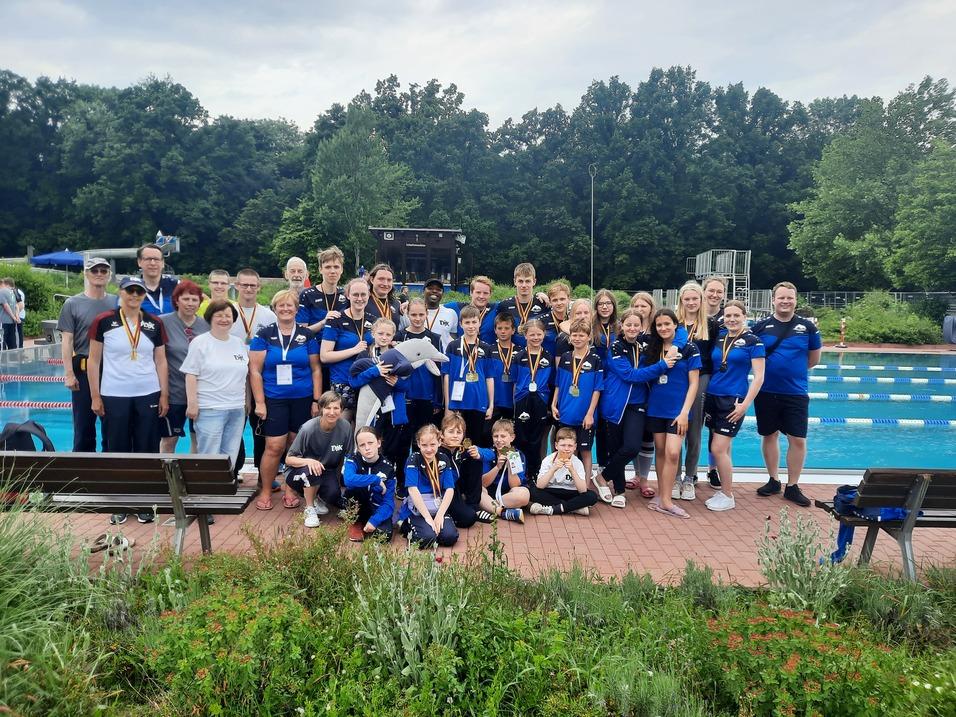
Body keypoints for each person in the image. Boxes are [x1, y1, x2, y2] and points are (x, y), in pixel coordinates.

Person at [87, 277, 169, 525]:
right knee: (117, 448)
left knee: (147, 448)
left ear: (144, 295)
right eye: (130, 291)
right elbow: (93, 361)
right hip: (114, 394)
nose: (134, 295)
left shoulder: (154, 323)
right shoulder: (103, 321)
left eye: (139, 291)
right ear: (120, 292)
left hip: (148, 392)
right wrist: (95, 396)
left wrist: (164, 394)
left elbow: (161, 361)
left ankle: (145, 502)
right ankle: (120, 503)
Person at [249, 289, 322, 513]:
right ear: (274, 308)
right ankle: (265, 491)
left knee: (295, 446)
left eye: (290, 305)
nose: (285, 309)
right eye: (281, 305)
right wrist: (260, 402)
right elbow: (255, 371)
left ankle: (291, 489)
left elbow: (316, 369)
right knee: (274, 446)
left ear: (297, 309)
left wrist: (316, 400)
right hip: (274, 399)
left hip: (302, 398)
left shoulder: (306, 335)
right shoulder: (264, 334)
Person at [752, 281, 822, 507]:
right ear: (773, 300)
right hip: (766, 391)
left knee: (798, 439)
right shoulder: (760, 327)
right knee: (769, 435)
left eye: (789, 298)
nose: (785, 301)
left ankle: (792, 486)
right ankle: (773, 479)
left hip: (795, 392)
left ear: (795, 300)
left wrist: (792, 372)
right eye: (781, 297)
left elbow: (814, 359)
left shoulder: (807, 327)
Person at [599, 308, 675, 508]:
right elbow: (630, 375)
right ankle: (620, 491)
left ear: (642, 327)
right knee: (616, 449)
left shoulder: (647, 343)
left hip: (638, 403)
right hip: (615, 405)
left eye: (636, 325)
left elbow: (677, 334)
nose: (632, 328)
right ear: (621, 326)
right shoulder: (615, 347)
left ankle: (601, 478)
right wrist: (663, 365)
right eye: (628, 324)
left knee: (632, 447)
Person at [703, 300, 765, 512]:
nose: (732, 319)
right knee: (722, 448)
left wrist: (745, 404)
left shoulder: (753, 342)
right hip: (713, 397)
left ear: (744, 317)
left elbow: (759, 377)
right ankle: (723, 491)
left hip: (733, 400)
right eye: (728, 316)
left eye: (736, 315)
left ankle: (728, 495)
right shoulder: (720, 337)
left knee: (717, 449)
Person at [58, 257, 118, 451]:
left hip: (113, 371)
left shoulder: (117, 302)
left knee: (114, 427)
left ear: (109, 275)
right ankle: (82, 466)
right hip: (83, 371)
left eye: (103, 271)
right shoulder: (72, 303)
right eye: (95, 270)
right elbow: (67, 340)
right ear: (86, 274)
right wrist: (69, 373)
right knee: (83, 427)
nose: (99, 274)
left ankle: (112, 465)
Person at [182, 300, 248, 473]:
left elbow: (244, 375)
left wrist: (246, 402)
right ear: (210, 318)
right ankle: (206, 486)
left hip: (236, 408)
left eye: (228, 316)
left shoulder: (238, 343)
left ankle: (224, 486)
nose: (224, 319)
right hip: (210, 409)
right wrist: (192, 403)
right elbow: (190, 374)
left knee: (230, 455)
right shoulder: (200, 342)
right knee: (209, 455)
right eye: (219, 315)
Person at [645, 309, 701, 517]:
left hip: (678, 411)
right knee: (660, 451)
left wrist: (685, 412)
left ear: (676, 325)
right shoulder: (653, 348)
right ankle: (663, 495)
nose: (663, 328)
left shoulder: (689, 348)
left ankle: (667, 501)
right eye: (659, 325)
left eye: (667, 324)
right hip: (656, 408)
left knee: (673, 452)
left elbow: (694, 383)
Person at [230, 268, 278, 479]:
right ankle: (233, 470)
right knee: (234, 427)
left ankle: (263, 475)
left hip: (261, 379)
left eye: (252, 285)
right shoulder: (228, 312)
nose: (248, 289)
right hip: (234, 380)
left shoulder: (269, 315)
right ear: (237, 286)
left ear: (259, 287)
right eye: (244, 285)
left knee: (260, 428)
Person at [284, 391, 354, 528]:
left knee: (333, 494)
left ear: (341, 410)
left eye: (336, 408)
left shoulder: (345, 427)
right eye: (328, 408)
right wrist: (309, 461)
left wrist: (338, 482)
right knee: (312, 472)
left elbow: (346, 457)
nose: (332, 412)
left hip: (326, 470)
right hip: (300, 471)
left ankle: (319, 498)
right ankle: (309, 508)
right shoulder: (308, 428)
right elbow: (289, 459)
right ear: (321, 408)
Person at [675, 281, 717, 490]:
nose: (691, 302)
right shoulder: (675, 324)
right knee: (675, 428)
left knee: (694, 432)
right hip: (677, 379)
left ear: (701, 300)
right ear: (681, 301)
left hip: (700, 378)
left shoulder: (710, 325)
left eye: (695, 299)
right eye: (687, 299)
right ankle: (675, 477)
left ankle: (690, 476)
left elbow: (715, 356)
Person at [159, 280, 209, 453]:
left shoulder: (206, 325)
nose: (190, 303)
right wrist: (163, 393)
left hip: (201, 393)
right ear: (176, 300)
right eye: (186, 299)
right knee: (169, 440)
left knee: (198, 440)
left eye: (194, 300)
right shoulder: (163, 323)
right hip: (174, 393)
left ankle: (193, 469)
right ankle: (166, 470)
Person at [552, 318, 603, 484]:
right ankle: (569, 484)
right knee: (567, 451)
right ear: (570, 337)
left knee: (585, 451)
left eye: (581, 335)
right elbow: (559, 384)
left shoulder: (595, 360)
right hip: (566, 413)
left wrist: (590, 414)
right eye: (574, 335)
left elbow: (597, 389)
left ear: (589, 337)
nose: (577, 338)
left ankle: (585, 485)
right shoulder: (565, 357)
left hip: (585, 416)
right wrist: (553, 404)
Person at [321, 277, 374, 421]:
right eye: (355, 294)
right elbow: (324, 356)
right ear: (348, 295)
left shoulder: (373, 320)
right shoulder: (336, 319)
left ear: (368, 295)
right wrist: (353, 350)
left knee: (363, 426)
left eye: (363, 294)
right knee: (341, 426)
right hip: (343, 380)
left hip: (367, 379)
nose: (359, 298)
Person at [442, 306, 494, 445]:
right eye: (467, 322)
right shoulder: (453, 346)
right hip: (457, 402)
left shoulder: (486, 348)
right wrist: (447, 406)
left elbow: (489, 377)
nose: (471, 326)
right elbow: (446, 376)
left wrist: (491, 405)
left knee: (474, 442)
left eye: (474, 322)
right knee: (455, 441)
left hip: (478, 402)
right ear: (461, 324)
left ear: (479, 323)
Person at [401, 424, 459, 548]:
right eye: (424, 445)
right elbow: (412, 489)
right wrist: (427, 518)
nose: (429, 449)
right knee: (427, 539)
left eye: (432, 444)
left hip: (436, 506)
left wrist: (440, 515)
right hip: (418, 509)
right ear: (418, 443)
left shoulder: (443, 458)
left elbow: (450, 489)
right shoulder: (413, 459)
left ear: (439, 442)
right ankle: (407, 525)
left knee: (450, 537)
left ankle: (431, 527)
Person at [511, 318, 553, 482]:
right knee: (521, 438)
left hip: (541, 400)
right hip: (522, 399)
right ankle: (520, 473)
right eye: (532, 334)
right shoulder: (518, 356)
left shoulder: (548, 357)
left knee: (536, 439)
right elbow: (515, 381)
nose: (536, 338)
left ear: (544, 334)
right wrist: (515, 403)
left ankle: (535, 473)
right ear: (525, 335)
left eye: (539, 334)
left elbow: (551, 382)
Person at [626, 291, 659, 495]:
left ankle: (645, 479)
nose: (639, 309)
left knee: (648, 436)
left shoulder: (657, 332)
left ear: (651, 308)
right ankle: (637, 475)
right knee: (635, 436)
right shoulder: (629, 330)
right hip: (634, 391)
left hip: (653, 390)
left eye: (643, 306)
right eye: (636, 306)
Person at [396, 297, 443, 434]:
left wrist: (438, 400)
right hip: (405, 395)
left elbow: (439, 370)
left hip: (427, 395)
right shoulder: (399, 336)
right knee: (404, 437)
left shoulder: (435, 338)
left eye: (421, 314)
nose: (417, 318)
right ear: (407, 314)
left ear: (427, 313)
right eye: (414, 315)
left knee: (424, 436)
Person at [528, 427, 599, 516]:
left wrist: (572, 470)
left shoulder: (577, 462)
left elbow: (582, 490)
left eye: (570, 446)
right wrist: (553, 469)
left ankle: (557, 508)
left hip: (571, 492)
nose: (566, 449)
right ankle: (573, 508)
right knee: (532, 492)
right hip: (552, 491)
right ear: (556, 445)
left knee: (592, 496)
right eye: (563, 445)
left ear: (575, 447)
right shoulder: (548, 460)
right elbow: (540, 485)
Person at [342, 426, 396, 542]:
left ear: (378, 443)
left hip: (376, 508)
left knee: (384, 535)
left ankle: (370, 522)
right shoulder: (353, 460)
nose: (367, 448)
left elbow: (389, 502)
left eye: (370, 443)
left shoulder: (388, 468)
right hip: (358, 505)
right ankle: (356, 522)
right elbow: (348, 479)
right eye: (362, 445)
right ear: (358, 448)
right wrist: (375, 479)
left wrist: (375, 520)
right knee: (353, 489)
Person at [475, 418, 529, 522]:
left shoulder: (517, 455)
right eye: (496, 436)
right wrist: (497, 467)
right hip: (489, 492)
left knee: (524, 494)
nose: (499, 440)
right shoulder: (489, 453)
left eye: (503, 436)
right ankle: (503, 512)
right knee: (478, 489)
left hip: (507, 495)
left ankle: (489, 506)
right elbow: (483, 483)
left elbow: (515, 485)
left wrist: (511, 466)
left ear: (512, 437)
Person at [701, 276, 727, 489]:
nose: (715, 295)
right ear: (704, 291)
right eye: (711, 290)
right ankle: (689, 471)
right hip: (697, 376)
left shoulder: (728, 317)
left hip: (718, 378)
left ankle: (713, 469)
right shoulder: (695, 313)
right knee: (692, 427)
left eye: (719, 291)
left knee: (715, 428)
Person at [438, 411, 483, 527]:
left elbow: (490, 454)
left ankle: (473, 505)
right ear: (442, 434)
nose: (455, 435)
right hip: (443, 491)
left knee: (475, 460)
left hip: (456, 488)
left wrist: (478, 454)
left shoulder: (461, 450)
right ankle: (448, 514)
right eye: (451, 431)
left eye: (459, 432)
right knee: (469, 518)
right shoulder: (437, 451)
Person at [297, 246, 348, 335]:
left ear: (342, 270)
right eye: (328, 267)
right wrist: (323, 322)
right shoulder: (307, 295)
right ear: (320, 269)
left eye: (336, 267)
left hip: (340, 342)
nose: (332, 271)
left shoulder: (346, 294)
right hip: (315, 342)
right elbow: (300, 333)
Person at [496, 263, 548, 348]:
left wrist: (546, 297)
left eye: (527, 281)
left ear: (534, 281)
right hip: (512, 353)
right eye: (520, 281)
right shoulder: (504, 305)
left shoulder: (543, 303)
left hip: (536, 352)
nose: (524, 285)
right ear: (515, 281)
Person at [446, 275, 498, 344]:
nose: (481, 296)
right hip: (461, 350)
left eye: (485, 293)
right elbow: (436, 308)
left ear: (490, 294)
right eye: (478, 292)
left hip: (488, 350)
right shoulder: (456, 307)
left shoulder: (496, 308)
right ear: (471, 293)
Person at [133, 243, 179, 316]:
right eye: (148, 259)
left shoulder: (176, 286)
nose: (153, 263)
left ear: (163, 263)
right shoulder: (131, 289)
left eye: (156, 259)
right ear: (139, 262)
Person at [488, 312, 517, 423]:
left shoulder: (521, 352)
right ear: (495, 330)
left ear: (513, 330)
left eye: (507, 328)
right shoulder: (488, 350)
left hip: (512, 401)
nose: (503, 331)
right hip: (494, 401)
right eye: (499, 328)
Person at [422, 278, 458, 349]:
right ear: (423, 291)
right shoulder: (414, 312)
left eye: (438, 290)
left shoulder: (451, 313)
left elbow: (453, 336)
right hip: (419, 355)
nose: (434, 291)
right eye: (430, 288)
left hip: (442, 355)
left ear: (442, 294)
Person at [543, 281, 571, 358]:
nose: (559, 303)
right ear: (550, 301)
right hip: (547, 362)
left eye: (562, 299)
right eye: (555, 300)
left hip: (570, 363)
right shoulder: (542, 321)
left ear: (568, 299)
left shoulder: (574, 319)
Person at [0, 279, 20, 350]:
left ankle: (3, 357)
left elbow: (6, 306)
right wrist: (16, 317)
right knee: (12, 343)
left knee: (2, 342)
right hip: (12, 322)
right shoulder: (12, 292)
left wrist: (14, 317)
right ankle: (13, 356)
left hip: (3, 322)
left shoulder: (1, 292)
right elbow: (16, 305)